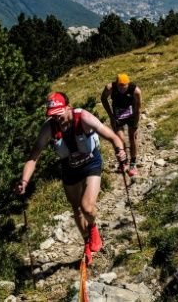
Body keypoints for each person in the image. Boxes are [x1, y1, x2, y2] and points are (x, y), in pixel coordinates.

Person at [16, 91, 128, 263]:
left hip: (91, 163)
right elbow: (33, 156)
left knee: (87, 207)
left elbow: (113, 137)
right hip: (69, 168)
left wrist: (120, 151)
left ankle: (93, 227)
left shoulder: (83, 117)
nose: (57, 119)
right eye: (53, 115)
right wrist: (24, 181)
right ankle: (86, 242)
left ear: (68, 107)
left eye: (59, 114)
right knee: (76, 209)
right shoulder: (49, 127)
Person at [102, 72, 143, 177]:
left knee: (132, 137)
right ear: (116, 83)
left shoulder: (136, 91)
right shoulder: (109, 88)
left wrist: (136, 123)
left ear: (128, 84)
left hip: (131, 115)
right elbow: (103, 99)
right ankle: (124, 162)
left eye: (124, 87)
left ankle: (133, 163)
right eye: (120, 87)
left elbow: (138, 108)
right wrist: (111, 116)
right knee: (120, 139)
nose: (122, 89)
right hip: (118, 116)